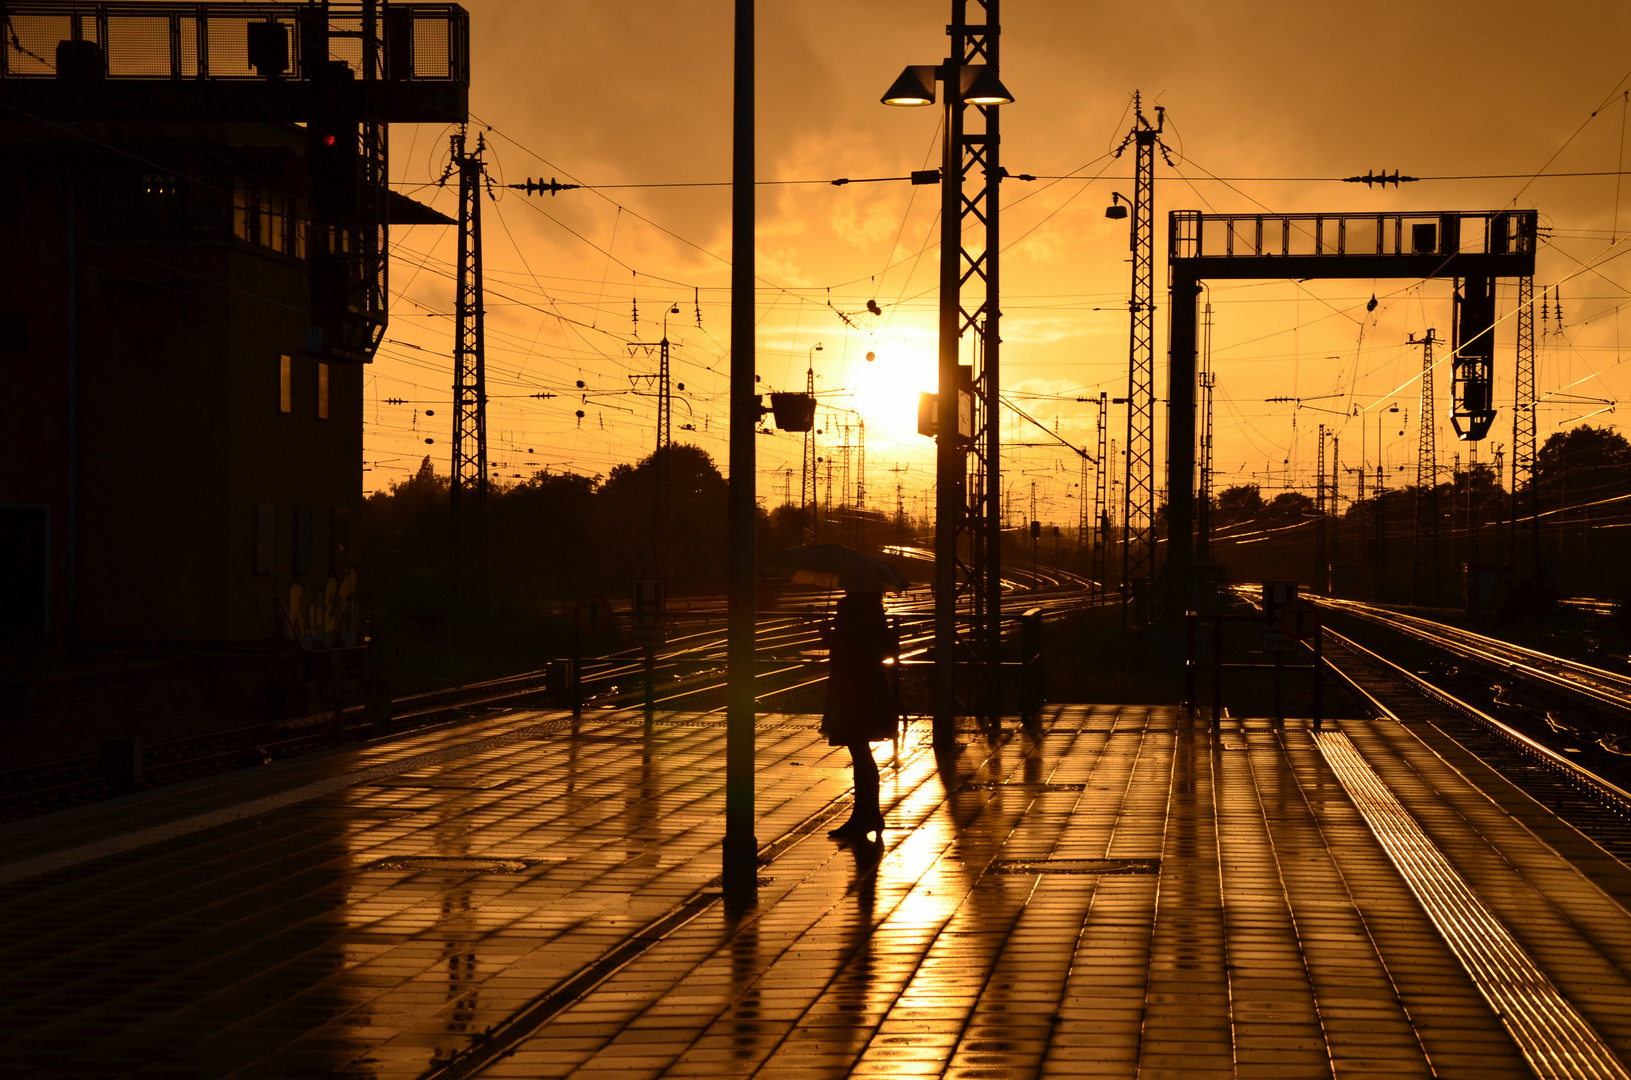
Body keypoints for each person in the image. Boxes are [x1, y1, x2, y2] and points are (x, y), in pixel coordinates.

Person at [820, 591, 898, 841]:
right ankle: (867, 814)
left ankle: (866, 816)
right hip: (867, 689)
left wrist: (828, 634)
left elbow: (848, 648)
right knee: (861, 753)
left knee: (860, 753)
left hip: (852, 691)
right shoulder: (873, 611)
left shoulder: (854, 610)